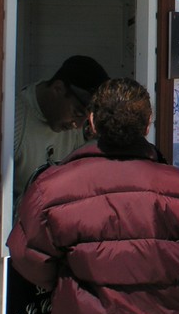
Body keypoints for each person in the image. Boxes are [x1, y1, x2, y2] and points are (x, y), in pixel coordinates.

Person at [8, 78, 179, 314]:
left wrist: (71, 284)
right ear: (147, 125)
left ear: (93, 122)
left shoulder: (51, 189)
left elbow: (28, 256)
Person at [13, 55, 109, 205]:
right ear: (57, 89)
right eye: (77, 113)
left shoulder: (80, 131)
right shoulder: (14, 119)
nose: (77, 125)